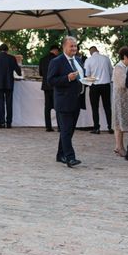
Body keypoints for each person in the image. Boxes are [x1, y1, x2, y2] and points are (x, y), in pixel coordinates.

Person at [47, 36, 85, 168]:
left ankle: (60, 154)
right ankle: (70, 157)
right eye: (71, 46)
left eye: (75, 46)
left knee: (68, 130)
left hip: (77, 100)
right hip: (63, 101)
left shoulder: (79, 60)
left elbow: (81, 78)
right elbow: (51, 80)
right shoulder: (57, 61)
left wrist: (87, 81)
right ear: (64, 47)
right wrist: (67, 78)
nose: (74, 48)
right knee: (66, 130)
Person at [0, 43, 21, 128]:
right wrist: (19, 72)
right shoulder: (11, 58)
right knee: (9, 103)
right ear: (7, 50)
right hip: (9, 83)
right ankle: (9, 123)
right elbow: (18, 70)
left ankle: (2, 122)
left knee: (1, 103)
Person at [84, 46, 114, 134]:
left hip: (94, 86)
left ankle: (96, 128)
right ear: (97, 50)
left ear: (90, 52)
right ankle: (110, 127)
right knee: (107, 107)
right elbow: (110, 72)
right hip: (106, 85)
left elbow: (87, 75)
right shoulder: (106, 58)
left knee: (95, 107)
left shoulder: (88, 60)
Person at [112, 46, 128, 157]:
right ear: (125, 57)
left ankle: (119, 146)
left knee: (121, 123)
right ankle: (119, 147)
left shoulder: (126, 67)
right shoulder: (119, 67)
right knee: (118, 123)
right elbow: (122, 83)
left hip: (125, 98)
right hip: (120, 99)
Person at [39, 45, 60, 132]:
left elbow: (40, 73)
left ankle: (48, 126)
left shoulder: (42, 59)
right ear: (55, 50)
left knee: (47, 107)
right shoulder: (58, 60)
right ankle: (60, 126)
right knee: (58, 106)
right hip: (55, 85)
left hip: (46, 86)